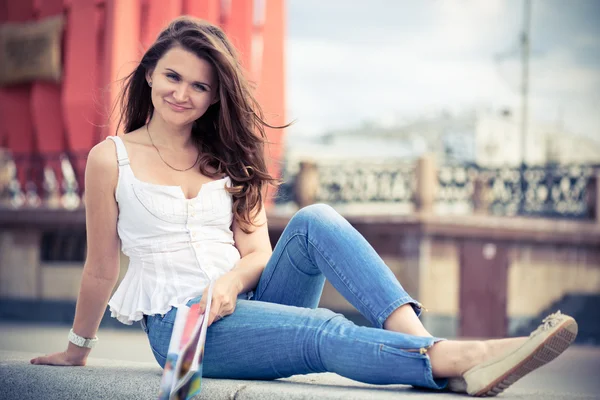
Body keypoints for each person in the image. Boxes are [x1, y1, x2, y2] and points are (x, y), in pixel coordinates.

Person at [30, 16, 577, 397]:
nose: (182, 93)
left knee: (316, 219)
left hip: (244, 301)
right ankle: (459, 357)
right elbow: (100, 266)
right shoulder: (112, 160)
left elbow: (257, 254)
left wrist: (228, 284)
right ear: (150, 73)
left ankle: (427, 349)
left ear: (215, 97)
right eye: (172, 76)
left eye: (200, 86)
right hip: (184, 326)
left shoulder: (223, 156)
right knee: (322, 328)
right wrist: (78, 349)